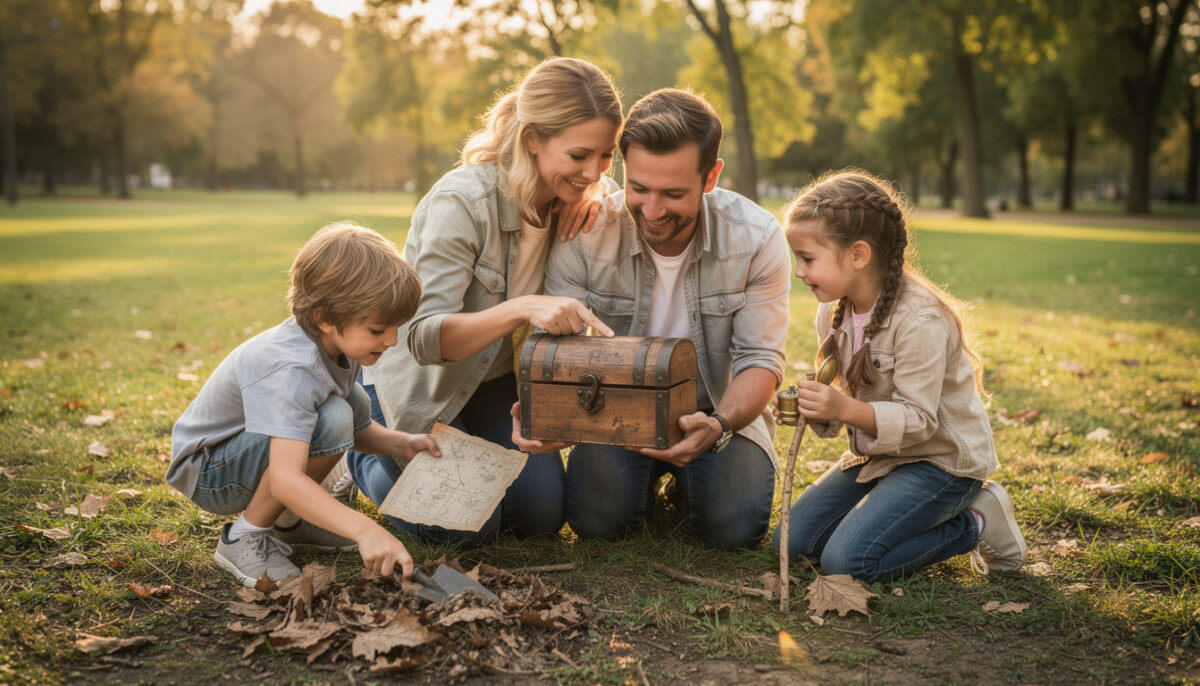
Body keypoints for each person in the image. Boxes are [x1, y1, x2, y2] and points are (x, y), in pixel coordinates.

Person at [345, 57, 621, 547]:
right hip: (418, 385)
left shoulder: (581, 197)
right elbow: (421, 336)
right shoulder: (463, 203)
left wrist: (604, 202)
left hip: (490, 382)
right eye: (580, 155)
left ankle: (453, 469)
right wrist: (521, 307)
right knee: (456, 531)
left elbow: (616, 197)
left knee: (537, 519)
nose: (594, 172)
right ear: (533, 139)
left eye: (605, 156)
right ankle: (361, 454)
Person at [516, 88, 791, 551]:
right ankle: (658, 485)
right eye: (639, 188)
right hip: (613, 407)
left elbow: (761, 359)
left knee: (734, 527)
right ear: (622, 167)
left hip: (716, 409)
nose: (654, 210)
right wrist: (553, 418)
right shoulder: (584, 231)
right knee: (597, 523)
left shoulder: (757, 238)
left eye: (674, 193)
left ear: (711, 176)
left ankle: (691, 485)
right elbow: (558, 348)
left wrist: (720, 424)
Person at [772, 169, 1027, 581]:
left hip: (940, 464)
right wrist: (819, 409)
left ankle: (976, 520)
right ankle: (881, 515)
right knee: (793, 542)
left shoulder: (919, 320)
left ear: (858, 255)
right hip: (880, 458)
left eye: (807, 259)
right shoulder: (832, 313)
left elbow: (920, 421)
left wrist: (843, 406)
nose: (799, 271)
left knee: (848, 563)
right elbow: (850, 404)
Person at [166, 222, 439, 587]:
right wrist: (365, 529)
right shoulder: (292, 368)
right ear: (325, 318)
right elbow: (285, 477)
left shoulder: (338, 344)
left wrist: (402, 444)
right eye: (378, 330)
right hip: (209, 472)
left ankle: (288, 523)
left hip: (242, 454)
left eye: (394, 327)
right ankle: (244, 536)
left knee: (348, 404)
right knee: (332, 416)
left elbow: (356, 427)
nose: (391, 340)